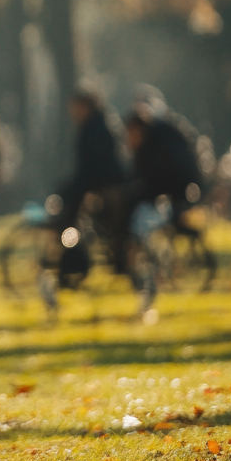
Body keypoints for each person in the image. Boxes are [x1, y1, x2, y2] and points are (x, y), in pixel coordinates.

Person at [123, 98, 204, 312]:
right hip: (180, 189)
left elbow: (156, 179)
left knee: (139, 223)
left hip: (177, 192)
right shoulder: (159, 136)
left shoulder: (154, 143)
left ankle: (147, 262)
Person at [53, 86, 128, 277]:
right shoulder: (98, 125)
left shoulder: (93, 129)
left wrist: (74, 187)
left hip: (104, 185)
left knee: (72, 213)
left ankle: (73, 258)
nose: (73, 113)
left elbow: (91, 166)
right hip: (102, 183)